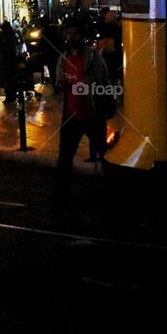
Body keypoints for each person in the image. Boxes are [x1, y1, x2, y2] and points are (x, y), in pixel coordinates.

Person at [53, 19, 111, 199]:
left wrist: (106, 100)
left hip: (92, 114)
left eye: (75, 33)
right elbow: (57, 83)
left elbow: (104, 81)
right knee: (64, 157)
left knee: (105, 155)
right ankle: (61, 194)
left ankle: (112, 192)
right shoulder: (63, 58)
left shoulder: (93, 58)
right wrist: (63, 85)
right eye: (69, 33)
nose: (71, 37)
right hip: (71, 115)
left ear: (81, 35)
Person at [0, 20, 20, 105]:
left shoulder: (4, 38)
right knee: (12, 79)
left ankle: (9, 97)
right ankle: (13, 95)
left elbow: (2, 48)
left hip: (6, 60)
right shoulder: (13, 36)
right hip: (12, 60)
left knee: (7, 79)